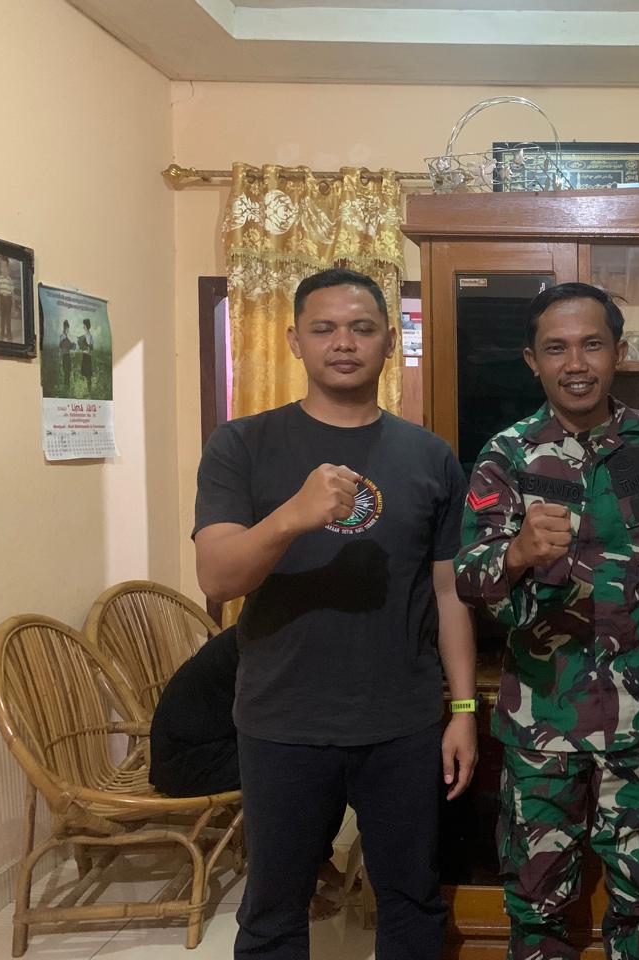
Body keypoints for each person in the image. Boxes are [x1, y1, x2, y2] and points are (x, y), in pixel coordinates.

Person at [193, 267, 477, 960]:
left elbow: (448, 593)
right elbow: (218, 576)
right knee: (273, 910)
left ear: (389, 342)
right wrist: (292, 515)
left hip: (402, 720)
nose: (343, 343)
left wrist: (465, 710)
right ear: (295, 341)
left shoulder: (430, 456)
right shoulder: (242, 444)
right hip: (282, 719)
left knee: (412, 900)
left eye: (361, 328)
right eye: (323, 329)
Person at [455, 281, 639, 960]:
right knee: (536, 901)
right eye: (556, 348)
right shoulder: (506, 455)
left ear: (618, 352)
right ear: (532, 360)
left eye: (592, 344)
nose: (576, 363)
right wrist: (516, 553)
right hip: (543, 717)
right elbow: (470, 579)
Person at [148, 626, 349, 920]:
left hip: (215, 743)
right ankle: (292, 890)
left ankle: (315, 862)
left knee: (326, 758)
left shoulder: (281, 633)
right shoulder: (268, 640)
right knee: (304, 768)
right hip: (188, 760)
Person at [0, 258, 15, 341]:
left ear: (8, 268)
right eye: (1, 267)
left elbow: (12, 294)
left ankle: (9, 333)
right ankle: (2, 333)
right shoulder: (0, 279)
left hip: (8, 300)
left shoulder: (10, 280)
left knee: (8, 318)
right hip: (2, 299)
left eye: (5, 267)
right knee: (2, 317)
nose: (3, 269)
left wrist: (13, 306)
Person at [78, 318, 94, 393]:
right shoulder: (84, 336)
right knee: (84, 374)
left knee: (88, 375)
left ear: (87, 326)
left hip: (88, 356)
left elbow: (91, 349)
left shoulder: (90, 336)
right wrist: (81, 345)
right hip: (84, 355)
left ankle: (89, 391)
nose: (83, 327)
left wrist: (86, 347)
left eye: (84, 325)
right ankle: (86, 390)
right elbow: (82, 348)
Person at [59, 320, 74, 391]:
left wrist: (71, 345)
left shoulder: (66, 337)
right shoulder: (62, 337)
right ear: (64, 328)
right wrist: (71, 345)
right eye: (67, 328)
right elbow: (64, 346)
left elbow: (71, 346)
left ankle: (67, 388)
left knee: (68, 372)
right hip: (65, 356)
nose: (68, 330)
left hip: (67, 356)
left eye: (68, 328)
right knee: (66, 372)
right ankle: (66, 388)